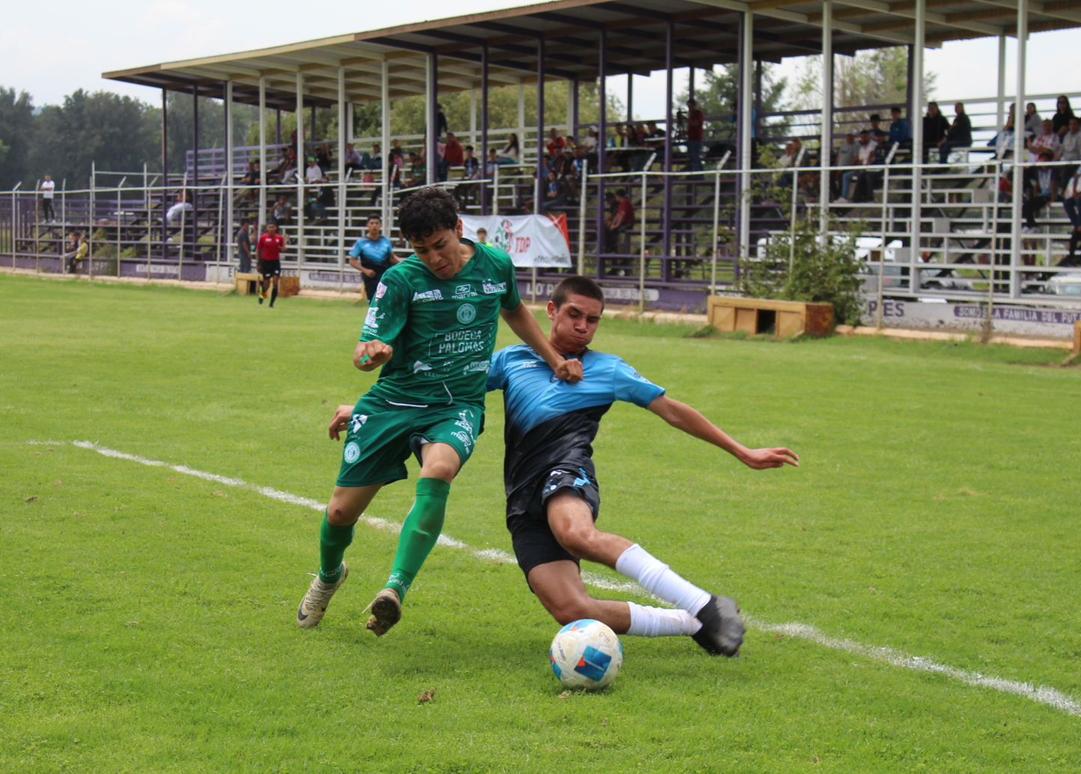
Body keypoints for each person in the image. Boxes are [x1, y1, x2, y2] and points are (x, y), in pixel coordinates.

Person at [328, 276, 797, 655]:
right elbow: (444, 389)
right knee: (571, 610)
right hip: (522, 495)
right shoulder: (512, 360)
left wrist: (741, 450)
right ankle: (696, 623)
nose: (584, 327)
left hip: (567, 471)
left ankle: (704, 602)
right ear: (550, 311)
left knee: (576, 533)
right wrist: (368, 409)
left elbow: (673, 410)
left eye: (593, 320)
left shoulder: (607, 370)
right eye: (575, 315)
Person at [295, 187, 584, 637]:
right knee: (339, 514)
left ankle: (394, 590)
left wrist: (554, 359)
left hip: (456, 406)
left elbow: (516, 312)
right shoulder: (401, 280)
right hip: (394, 402)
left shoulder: (496, 265)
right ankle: (329, 577)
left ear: (458, 230)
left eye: (440, 246)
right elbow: (364, 349)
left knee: (440, 469)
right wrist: (371, 355)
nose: (434, 258)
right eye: (421, 249)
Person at [348, 215, 398, 301]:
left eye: (377, 223)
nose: (374, 225)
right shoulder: (361, 242)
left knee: (388, 299)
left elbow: (392, 258)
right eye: (372, 223)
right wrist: (365, 270)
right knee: (373, 301)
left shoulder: (386, 241)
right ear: (367, 225)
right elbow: (352, 261)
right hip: (370, 277)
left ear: (380, 225)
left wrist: (404, 264)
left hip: (386, 275)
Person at [256, 219, 286, 307]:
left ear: (276, 228)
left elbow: (282, 249)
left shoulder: (279, 238)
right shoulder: (263, 238)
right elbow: (258, 250)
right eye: (270, 227)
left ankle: (271, 304)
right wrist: (258, 263)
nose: (271, 229)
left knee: (276, 282)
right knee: (267, 284)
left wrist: (283, 248)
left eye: (273, 227)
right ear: (267, 228)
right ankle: (262, 296)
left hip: (275, 262)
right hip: (266, 263)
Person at [686, 98, 705, 171]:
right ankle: (693, 172)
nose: (689, 108)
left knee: (696, 156)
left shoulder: (698, 113)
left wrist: (688, 120)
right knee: (692, 157)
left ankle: (698, 173)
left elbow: (696, 124)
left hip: (697, 139)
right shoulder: (690, 115)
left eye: (690, 106)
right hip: (691, 139)